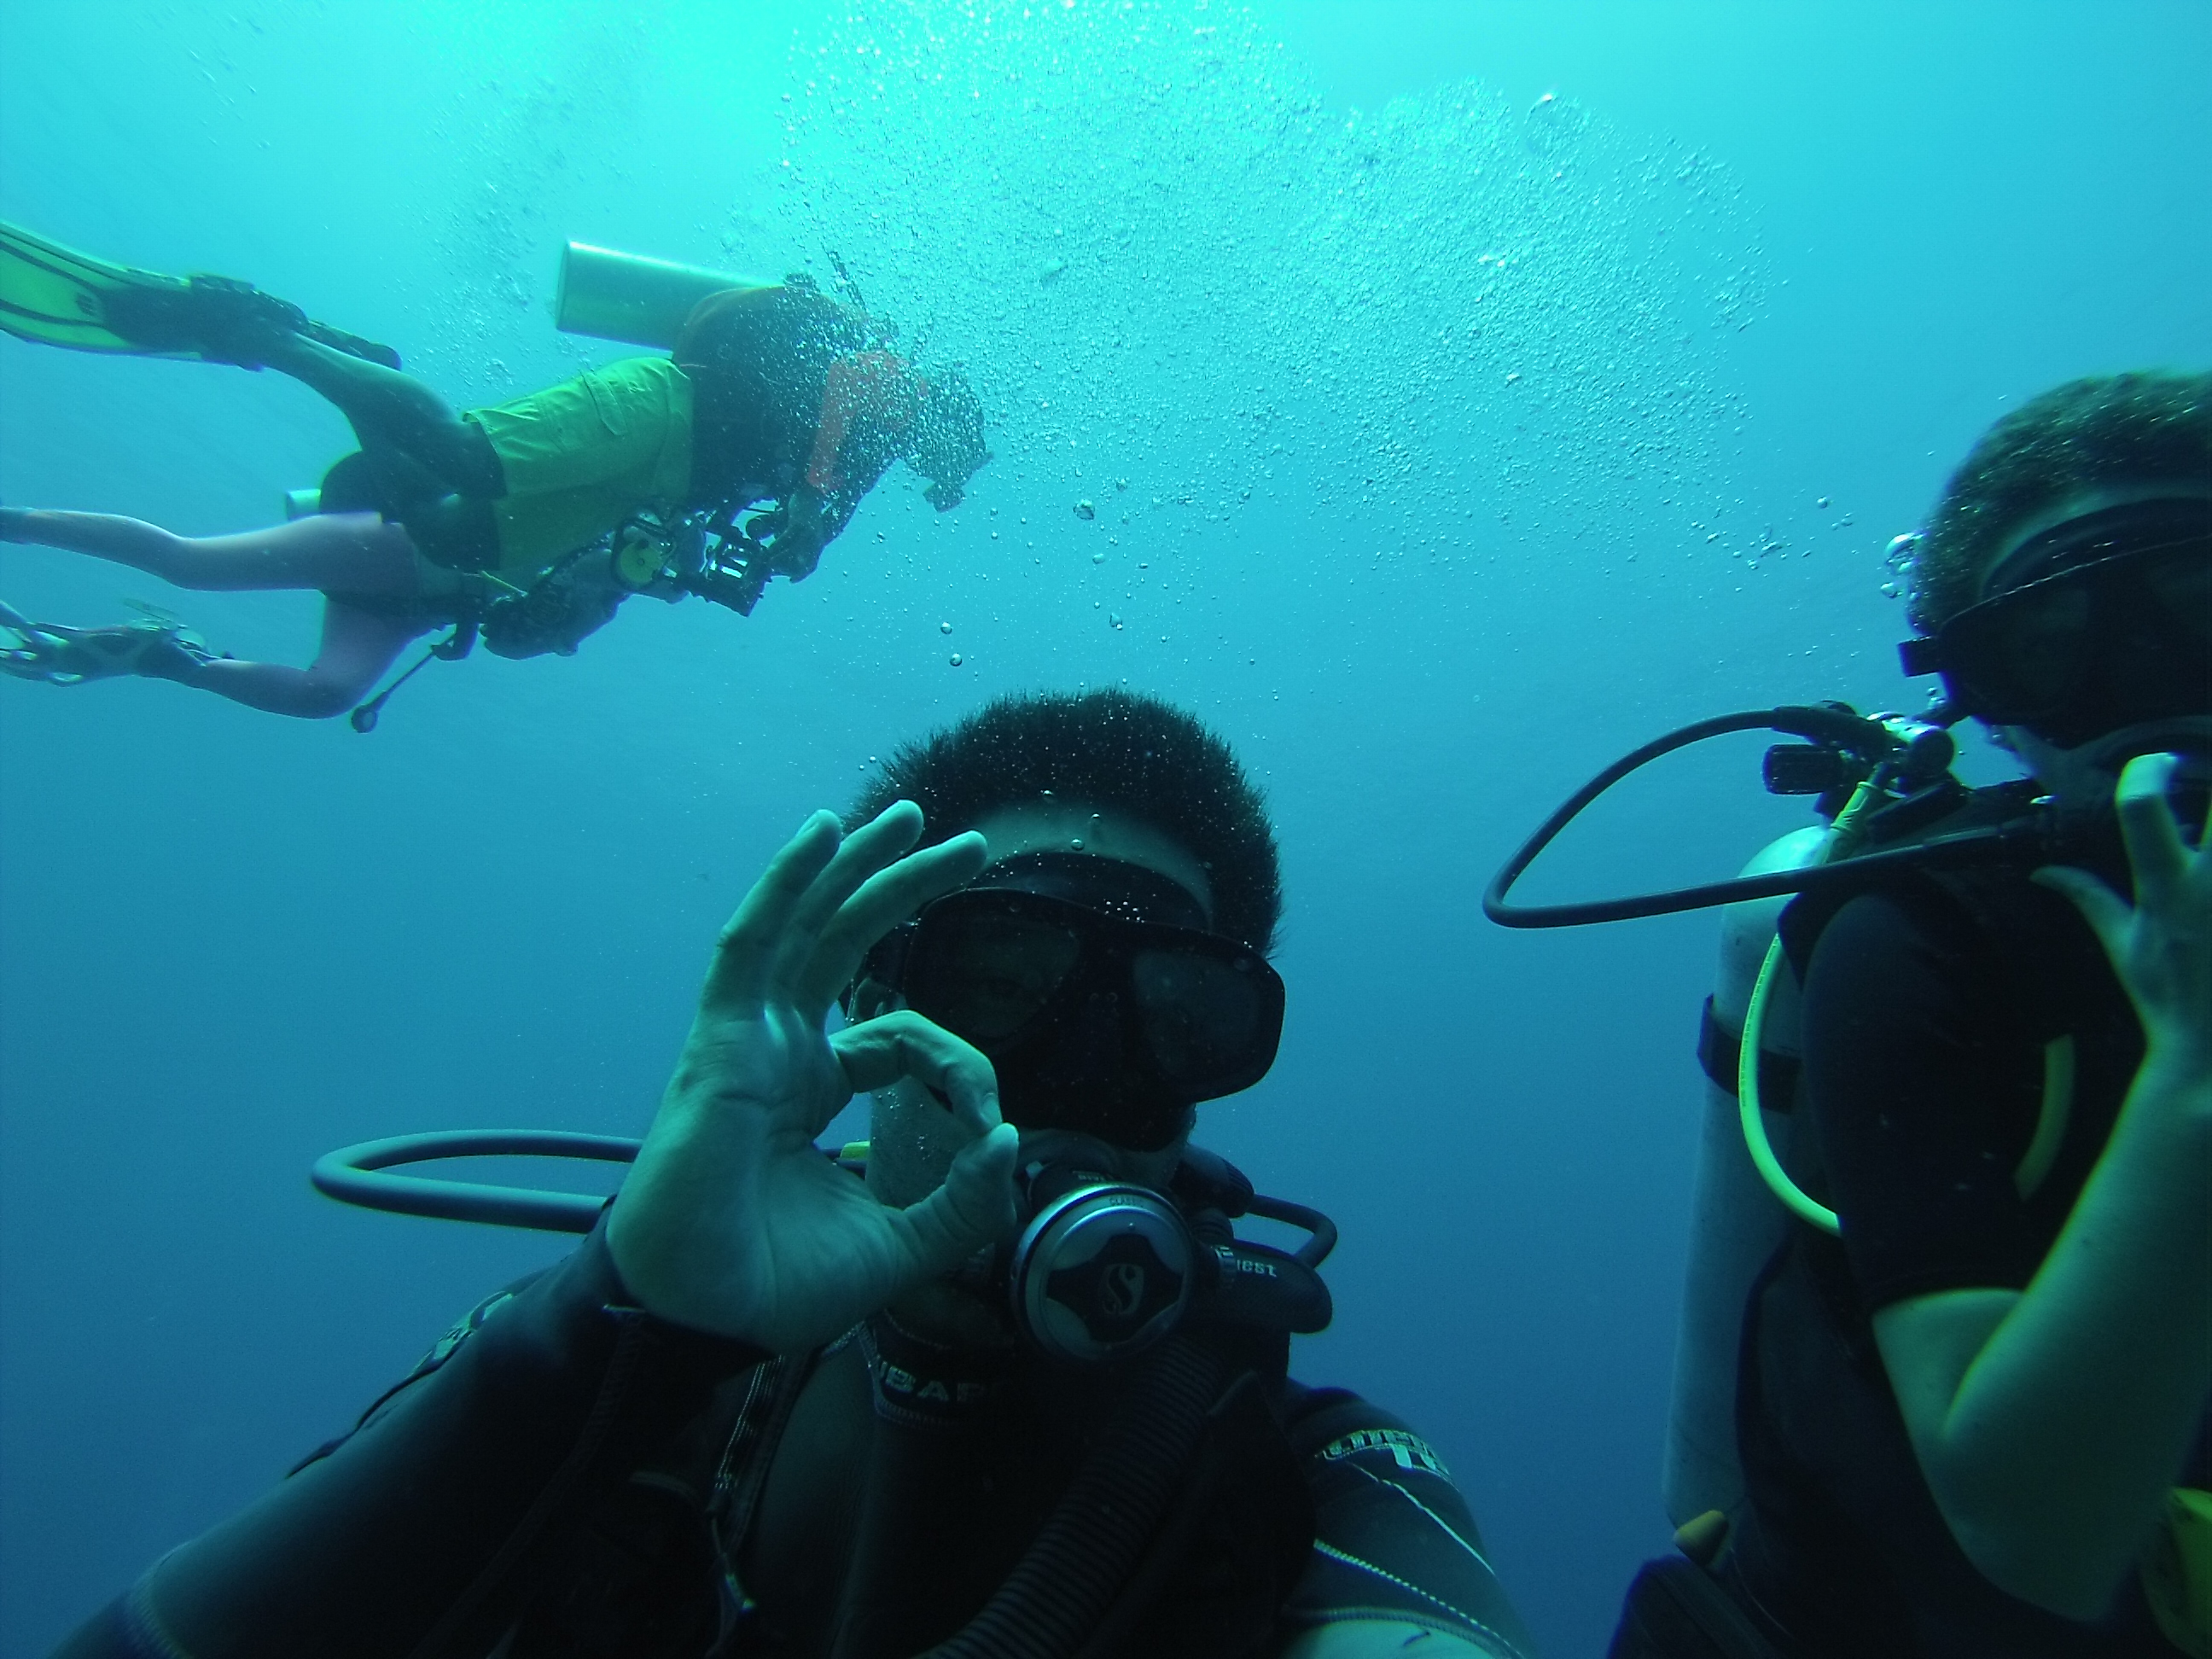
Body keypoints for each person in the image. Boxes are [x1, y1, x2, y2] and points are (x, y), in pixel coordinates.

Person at [52, 688, 1539, 1659]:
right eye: (1000, 980)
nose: (1072, 1087)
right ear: (866, 1006)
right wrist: (615, 1316)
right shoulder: (632, 1366)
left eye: (1174, 1013)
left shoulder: (1306, 1466)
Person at [1609, 372, 2211, 1656]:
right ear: (1987, 698)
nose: (2152, 685)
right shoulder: (1923, 939)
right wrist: (2196, 1084)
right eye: (2056, 645)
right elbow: (2037, 1537)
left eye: (2203, 604)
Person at [0, 219, 990, 718]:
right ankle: (258, 328)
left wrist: (790, 546)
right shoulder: (895, 378)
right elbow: (858, 384)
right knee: (460, 455)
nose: (942, 478)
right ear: (952, 421)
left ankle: (169, 644)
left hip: (647, 487)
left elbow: (820, 493)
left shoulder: (870, 460)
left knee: (430, 555)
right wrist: (811, 513)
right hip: (657, 414)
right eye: (955, 463)